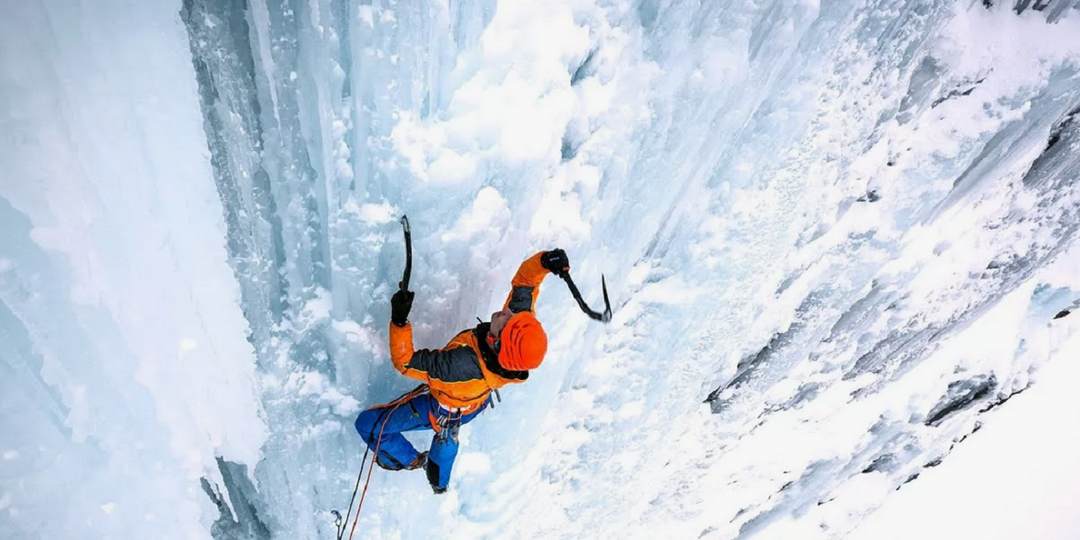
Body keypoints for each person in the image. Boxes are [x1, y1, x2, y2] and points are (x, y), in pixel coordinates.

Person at [354, 249, 571, 494]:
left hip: (443, 406)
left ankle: (409, 460)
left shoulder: (458, 366)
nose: (506, 312)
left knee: (368, 425)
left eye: (507, 322)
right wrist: (544, 261)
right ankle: (439, 481)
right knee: (447, 441)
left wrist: (399, 321)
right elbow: (526, 283)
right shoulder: (518, 335)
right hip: (473, 403)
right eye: (514, 316)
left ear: (495, 343)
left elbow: (405, 362)